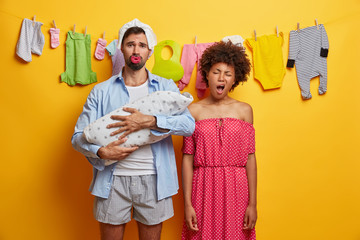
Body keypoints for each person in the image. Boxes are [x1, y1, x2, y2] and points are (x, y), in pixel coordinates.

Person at [71, 18, 195, 240]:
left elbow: (188, 125)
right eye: (130, 44)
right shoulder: (101, 92)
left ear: (150, 52)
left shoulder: (166, 87)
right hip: (112, 179)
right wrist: (101, 152)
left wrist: (150, 121)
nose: (136, 50)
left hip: (154, 180)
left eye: (142, 45)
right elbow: (78, 137)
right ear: (122, 49)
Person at [181, 41, 257, 239]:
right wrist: (187, 204)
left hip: (236, 188)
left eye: (228, 74)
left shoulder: (244, 110)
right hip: (202, 188)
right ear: (206, 74)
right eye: (216, 72)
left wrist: (253, 204)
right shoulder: (193, 111)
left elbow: (250, 159)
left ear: (235, 79)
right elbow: (187, 160)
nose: (221, 77)